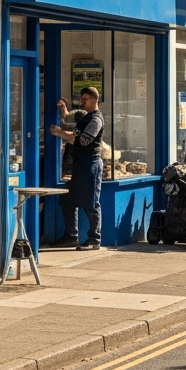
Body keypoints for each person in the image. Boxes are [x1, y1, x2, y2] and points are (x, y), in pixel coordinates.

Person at [50, 86, 104, 250]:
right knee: (67, 200)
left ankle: (94, 239)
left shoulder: (96, 119)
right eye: (81, 99)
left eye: (85, 99)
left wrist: (60, 134)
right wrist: (63, 111)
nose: (82, 102)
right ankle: (71, 236)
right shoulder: (85, 117)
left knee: (91, 203)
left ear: (95, 99)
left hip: (91, 164)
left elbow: (84, 140)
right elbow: (69, 123)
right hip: (80, 164)